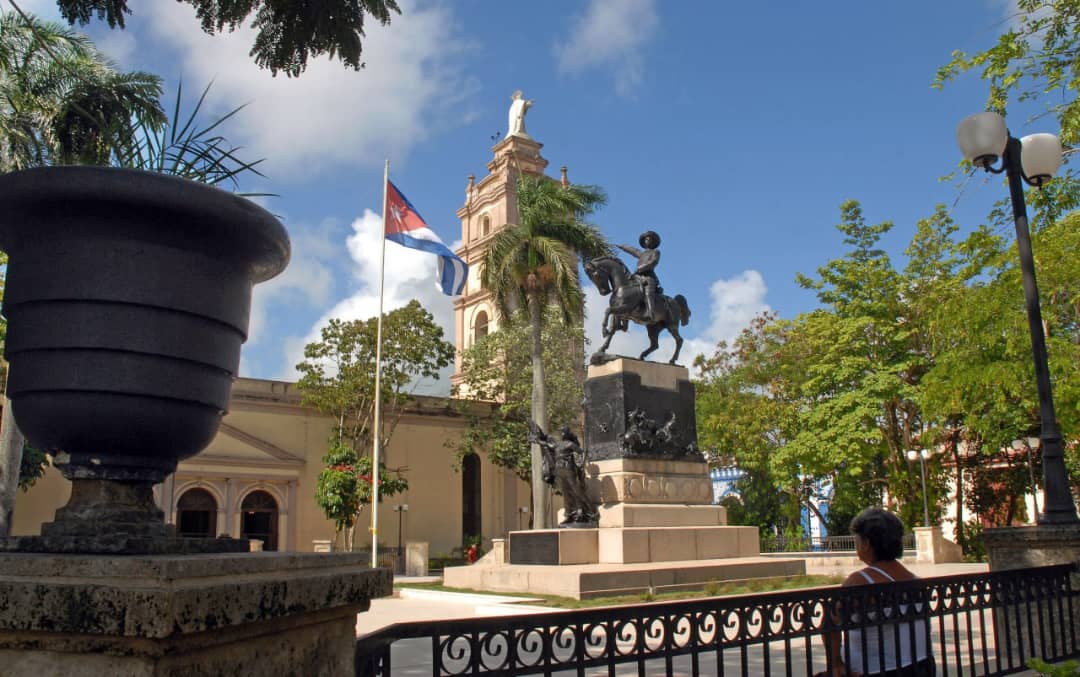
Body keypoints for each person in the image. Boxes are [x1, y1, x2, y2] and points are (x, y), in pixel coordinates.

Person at [825, 508, 934, 677]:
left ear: (866, 543)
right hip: (921, 668)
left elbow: (829, 624)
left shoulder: (859, 582)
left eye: (857, 539)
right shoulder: (915, 582)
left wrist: (836, 663)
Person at [616, 230, 662, 322]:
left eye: (649, 239)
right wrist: (623, 247)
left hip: (648, 277)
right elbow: (633, 251)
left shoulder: (656, 252)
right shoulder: (642, 254)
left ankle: (650, 313)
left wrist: (641, 268)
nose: (647, 240)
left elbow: (653, 262)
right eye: (645, 239)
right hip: (637, 277)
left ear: (653, 241)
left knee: (648, 294)